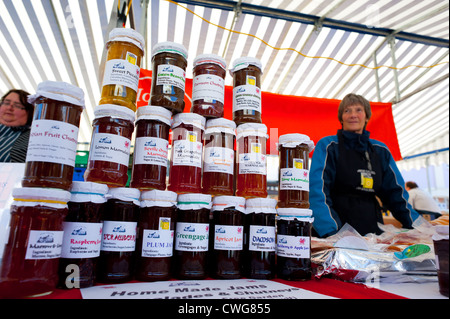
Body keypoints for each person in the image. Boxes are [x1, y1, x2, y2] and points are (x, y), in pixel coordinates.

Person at [309, 93, 419, 237]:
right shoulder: (329, 146)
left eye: (358, 110)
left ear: (367, 116)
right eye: (347, 111)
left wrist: (419, 227)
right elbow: (317, 192)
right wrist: (333, 234)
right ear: (341, 118)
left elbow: (396, 195)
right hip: (335, 232)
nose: (353, 115)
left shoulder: (380, 150)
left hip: (372, 234)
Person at [0, 89, 34, 162]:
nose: (9, 108)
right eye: (6, 103)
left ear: (29, 113)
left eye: (18, 106)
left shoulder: (31, 137)